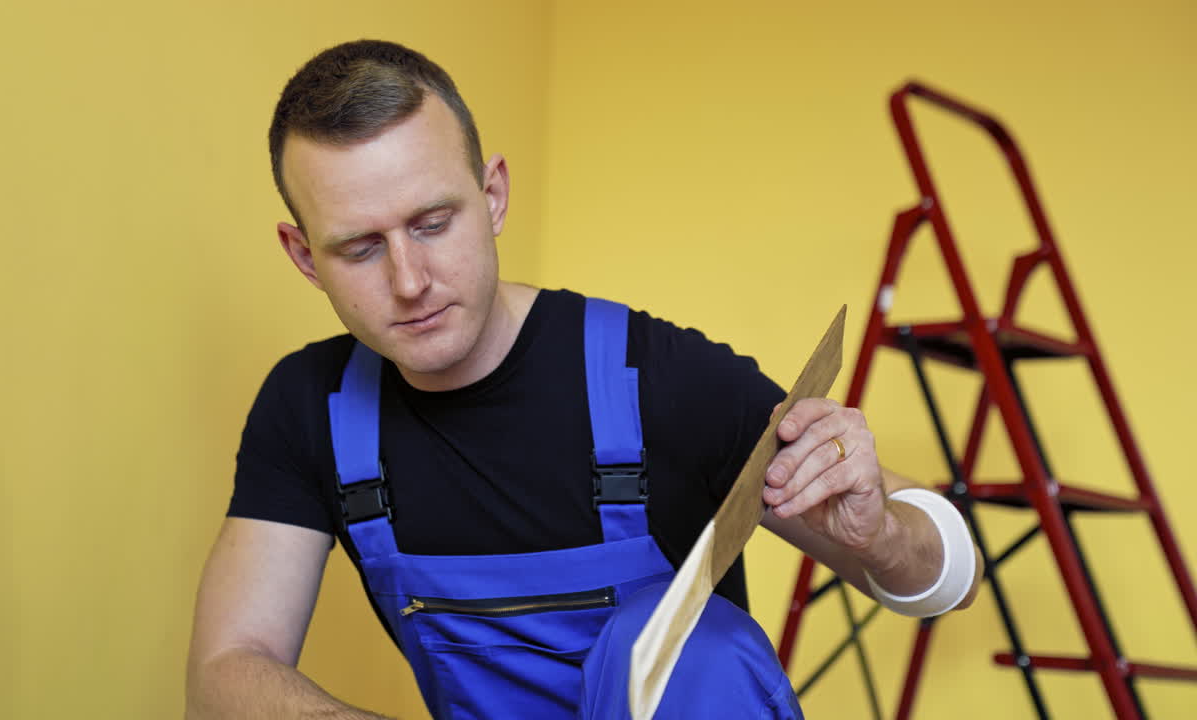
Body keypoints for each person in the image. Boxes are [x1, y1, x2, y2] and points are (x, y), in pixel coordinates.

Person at [185, 39, 983, 720]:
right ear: (303, 256)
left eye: (434, 223)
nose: (409, 280)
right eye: (359, 248)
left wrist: (884, 534)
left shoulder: (657, 379)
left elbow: (953, 578)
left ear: (492, 196)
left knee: (697, 650)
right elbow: (226, 669)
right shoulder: (311, 410)